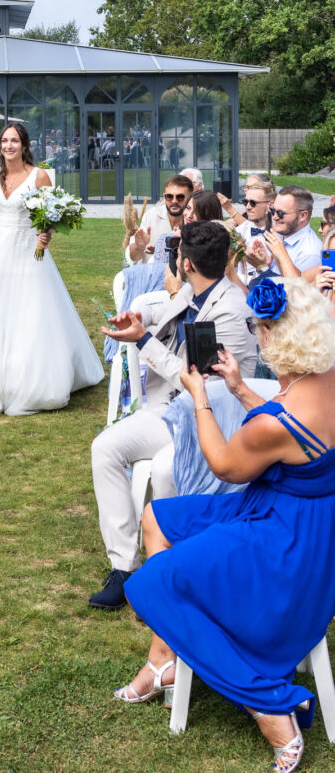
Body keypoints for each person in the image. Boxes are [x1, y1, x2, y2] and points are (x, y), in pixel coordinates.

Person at [117, 277, 335, 773]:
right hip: (310, 521)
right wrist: (237, 386)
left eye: (259, 329)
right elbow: (298, 441)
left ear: (273, 338)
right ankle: (163, 661)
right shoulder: (328, 380)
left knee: (152, 582)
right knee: (158, 517)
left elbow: (224, 465)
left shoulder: (276, 423)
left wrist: (201, 395)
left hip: (284, 544)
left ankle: (267, 703)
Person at [90, 221, 257, 609]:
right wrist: (136, 324)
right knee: (105, 447)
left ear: (188, 264)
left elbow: (206, 387)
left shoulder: (230, 311)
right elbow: (163, 317)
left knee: (165, 470)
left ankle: (164, 573)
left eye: (179, 256)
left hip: (209, 418)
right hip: (167, 409)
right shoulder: (190, 291)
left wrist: (144, 342)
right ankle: (124, 566)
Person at [0, 122, 103, 416]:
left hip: (27, 252)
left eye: (14, 141)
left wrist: (47, 234)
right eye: (4, 141)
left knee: (28, 314)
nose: (9, 146)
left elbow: (50, 216)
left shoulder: (38, 176)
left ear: (24, 145)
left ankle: (25, 385)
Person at [126, 176, 193, 265]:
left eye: (180, 197)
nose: (174, 201)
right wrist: (139, 247)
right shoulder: (152, 215)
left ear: (190, 198)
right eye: (169, 196)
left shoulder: (194, 220)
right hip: (151, 275)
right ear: (164, 196)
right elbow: (134, 257)